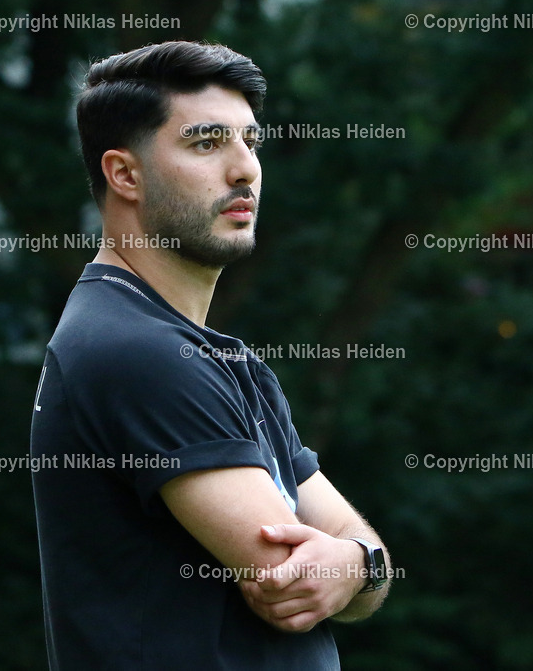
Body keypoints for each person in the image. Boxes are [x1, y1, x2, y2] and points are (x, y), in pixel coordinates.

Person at [30, 40, 391, 670]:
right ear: (125, 175)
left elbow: (356, 568)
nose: (245, 168)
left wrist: (359, 562)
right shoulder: (136, 350)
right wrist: (354, 563)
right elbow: (289, 578)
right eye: (206, 143)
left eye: (250, 141)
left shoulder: (218, 358)